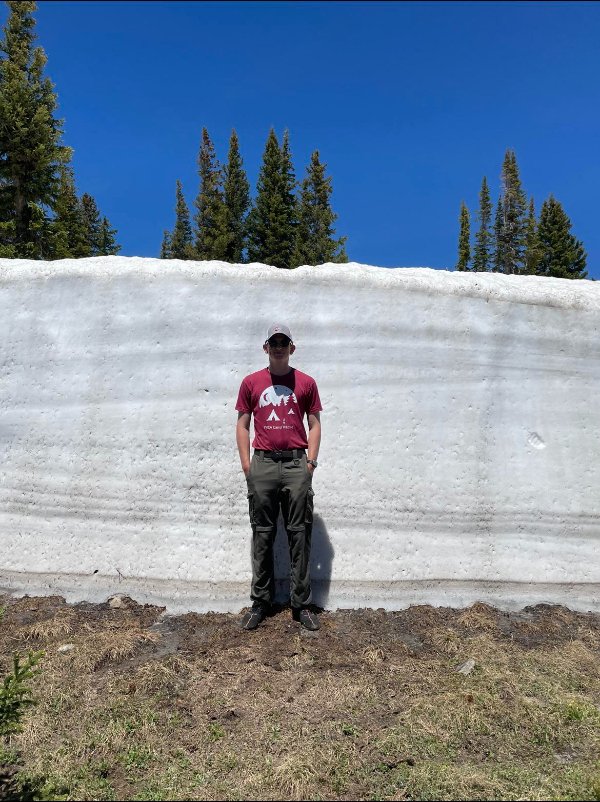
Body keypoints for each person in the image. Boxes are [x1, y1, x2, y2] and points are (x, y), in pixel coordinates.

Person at [235, 323, 322, 631]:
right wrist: (248, 465)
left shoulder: (306, 383)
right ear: (266, 347)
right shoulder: (251, 383)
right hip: (263, 466)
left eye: (284, 342)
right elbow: (243, 425)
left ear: (292, 347)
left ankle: (301, 605)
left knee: (300, 534)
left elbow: (314, 424)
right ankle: (261, 602)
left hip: (297, 465)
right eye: (274, 342)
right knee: (262, 534)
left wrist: (310, 463)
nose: (279, 346)